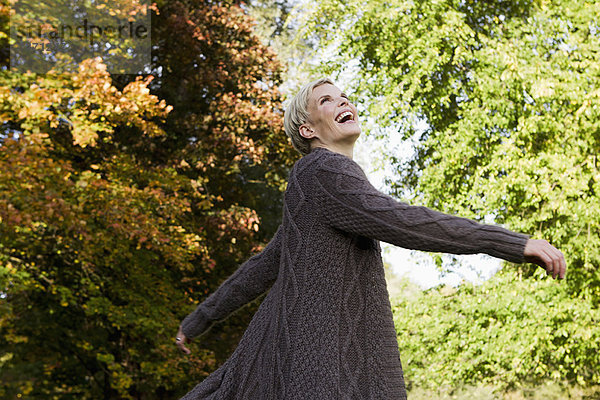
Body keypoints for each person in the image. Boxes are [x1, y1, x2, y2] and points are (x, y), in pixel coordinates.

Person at [175, 78, 566, 399]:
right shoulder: (324, 172)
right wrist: (508, 242)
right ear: (308, 129)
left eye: (343, 95)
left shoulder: (309, 185)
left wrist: (197, 321)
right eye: (326, 99)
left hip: (287, 358)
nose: (342, 100)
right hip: (322, 370)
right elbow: (403, 221)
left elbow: (262, 266)